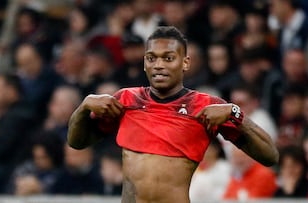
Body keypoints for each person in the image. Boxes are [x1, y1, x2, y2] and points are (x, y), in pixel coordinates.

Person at [67, 26, 279, 203]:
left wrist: (235, 113)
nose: (158, 65)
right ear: (144, 63)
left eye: (168, 58)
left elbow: (269, 156)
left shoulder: (204, 106)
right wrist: (83, 107)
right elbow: (77, 142)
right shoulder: (126, 100)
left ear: (185, 62)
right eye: (151, 58)